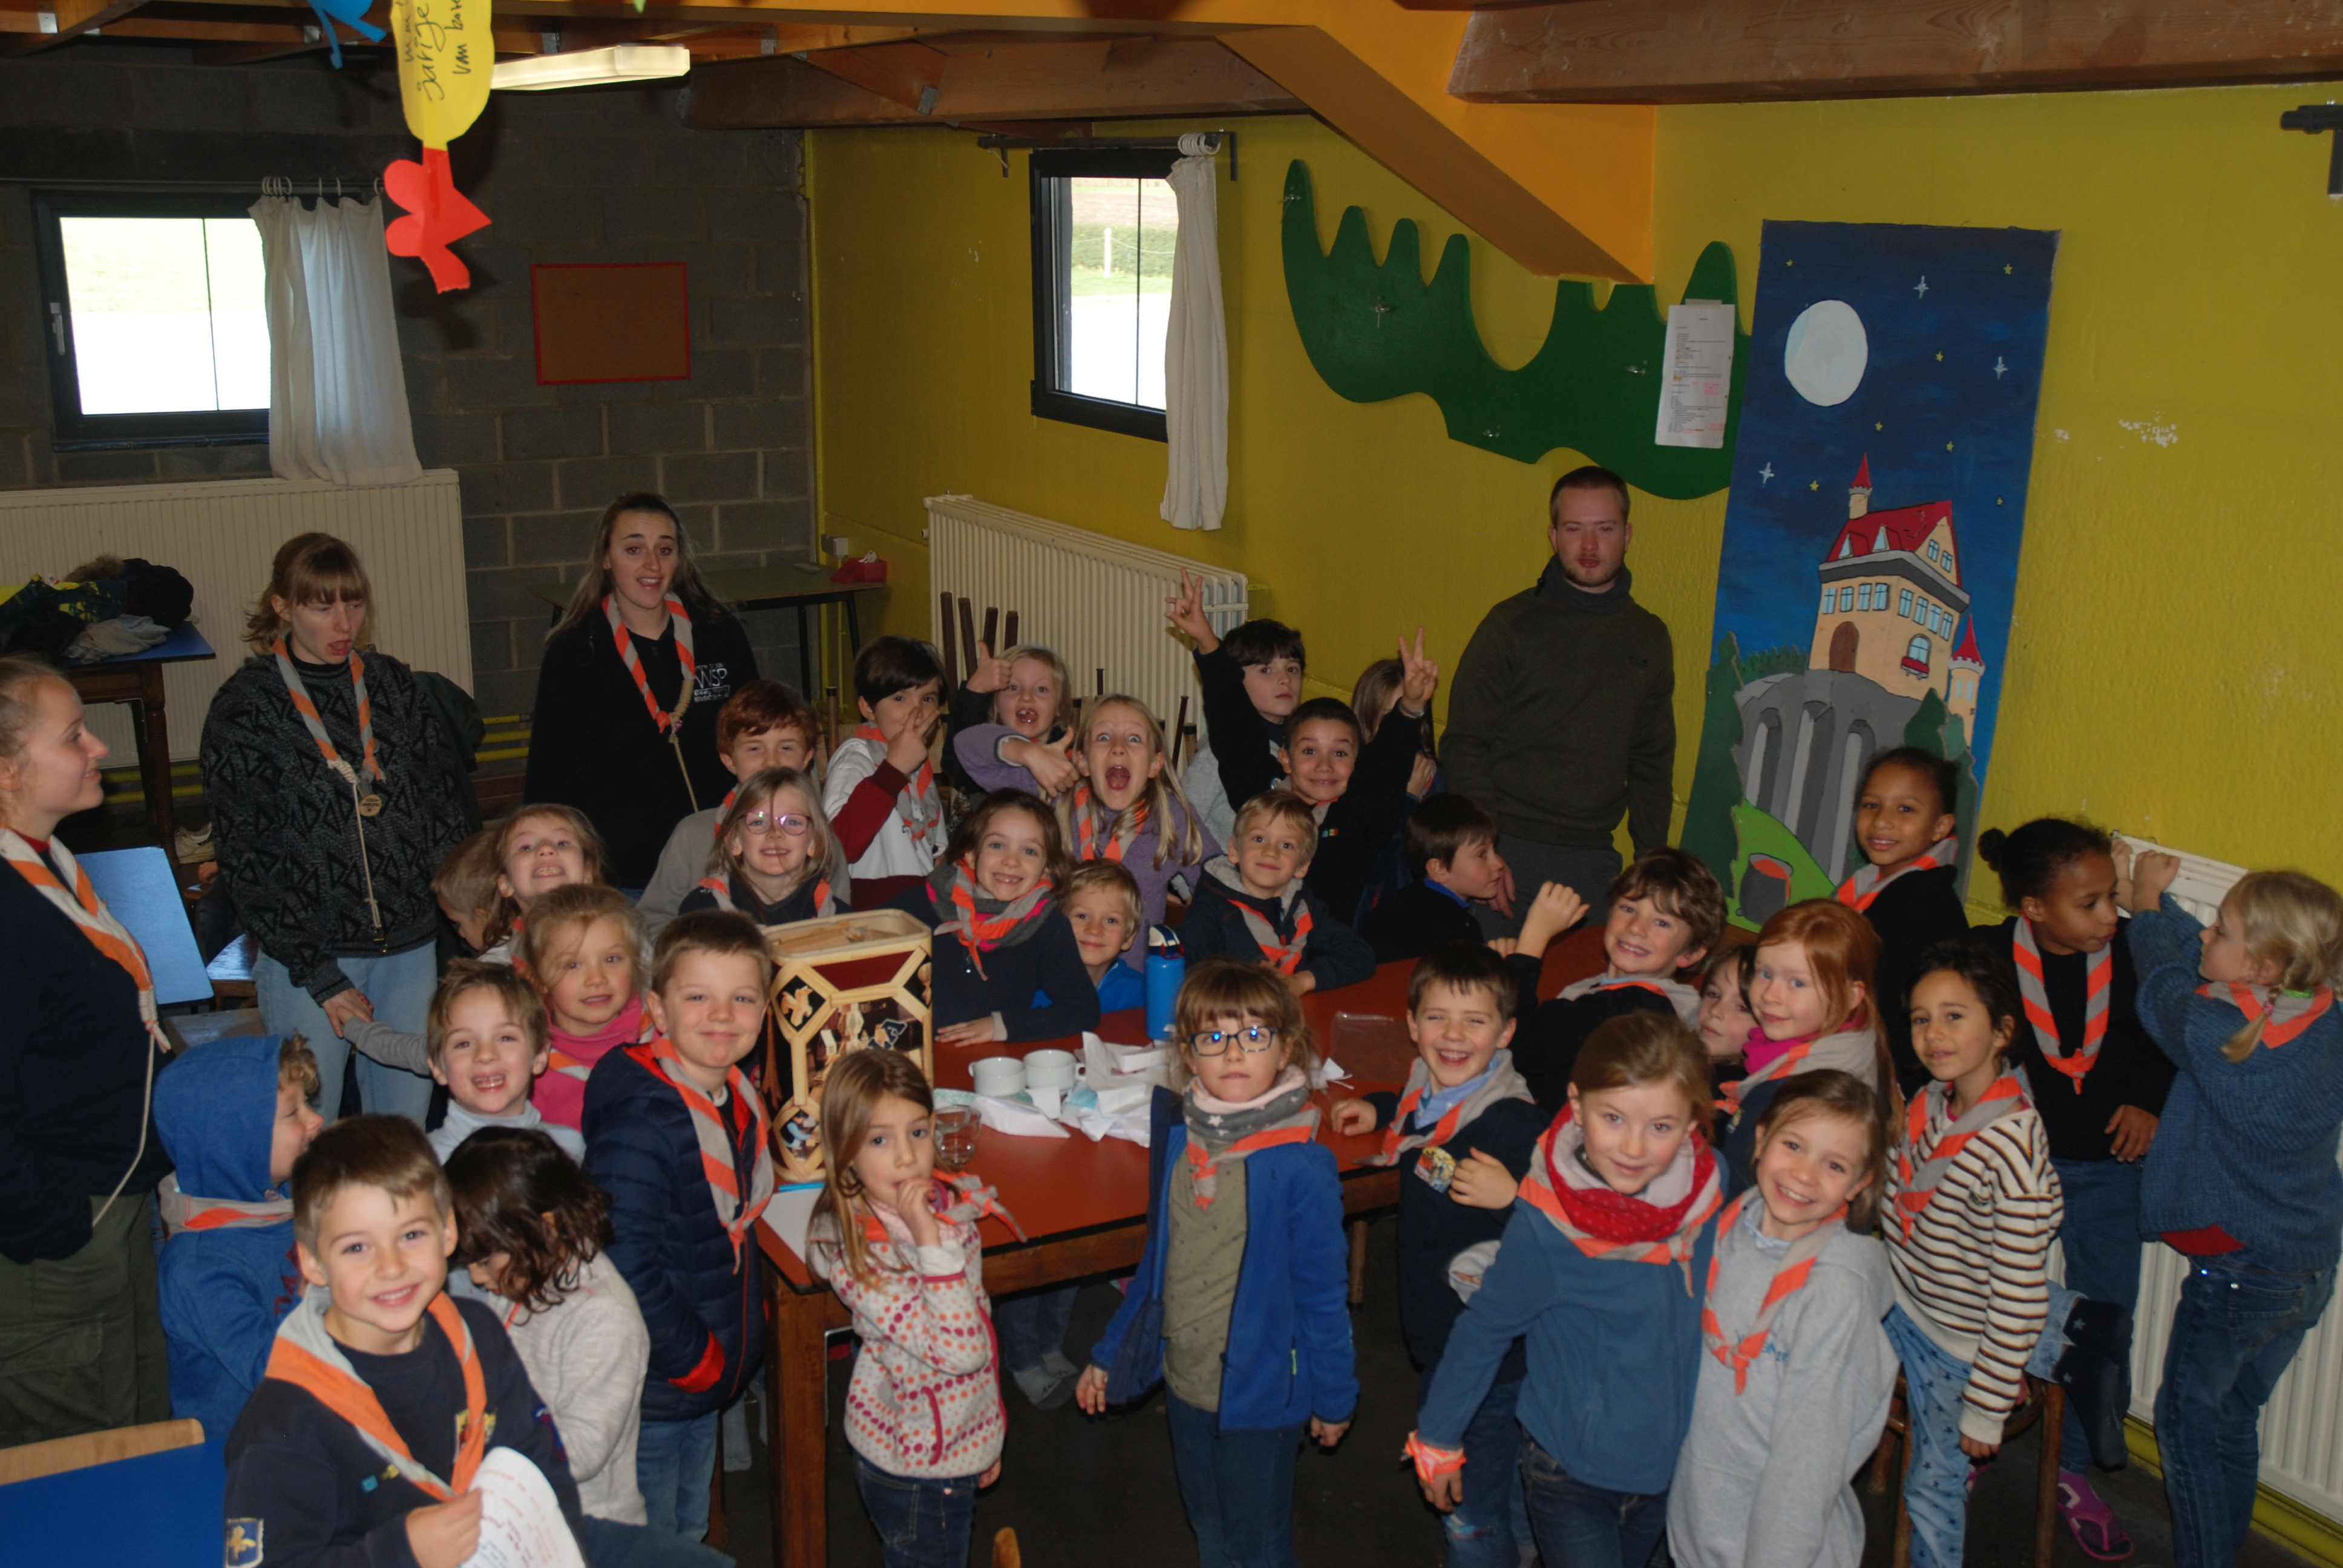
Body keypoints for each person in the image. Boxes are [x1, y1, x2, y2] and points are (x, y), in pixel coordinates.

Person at [1407, 1011, 1724, 1568]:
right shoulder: (1547, 1225)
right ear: (1577, 1106)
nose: (1633, 1146)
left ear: (1692, 1124)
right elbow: (1484, 1330)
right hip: (1570, 1471)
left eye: (1661, 1126)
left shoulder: (1710, 1187)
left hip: (1669, 1461)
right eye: (1613, 1117)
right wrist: (1438, 1437)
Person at [1079, 958, 1357, 1568]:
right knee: (1208, 1524)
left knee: (1255, 1545)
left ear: (1286, 1049)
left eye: (1254, 1035)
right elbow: (1158, 1262)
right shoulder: (1182, 1140)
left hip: (1263, 1396)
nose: (1233, 1052)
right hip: (1187, 1382)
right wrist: (1110, 1353)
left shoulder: (1301, 1168)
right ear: (1188, 1054)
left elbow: (1322, 1298)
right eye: (1212, 1037)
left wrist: (1335, 1397)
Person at [223, 1116, 587, 1568]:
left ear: (448, 1232)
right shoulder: (286, 1416)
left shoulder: (478, 1333)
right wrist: (401, 1553)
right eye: (357, 1248)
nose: (392, 1267)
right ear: (313, 1263)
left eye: (412, 1235)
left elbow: (542, 1477)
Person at [202, 533, 471, 1120]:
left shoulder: (394, 686)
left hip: (409, 948)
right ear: (282, 606)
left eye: (354, 603)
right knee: (309, 1130)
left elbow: (443, 814)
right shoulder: (246, 707)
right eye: (322, 607)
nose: (344, 623)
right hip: (310, 958)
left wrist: (471, 917)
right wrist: (318, 973)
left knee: (401, 1131)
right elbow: (247, 861)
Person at [2124, 854, 2343, 1568]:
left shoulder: (2214, 1032)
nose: (2204, 934)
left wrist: (2146, 902)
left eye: (2219, 928)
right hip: (2306, 1267)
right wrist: (2166, 912)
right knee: (2231, 1418)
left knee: (2184, 1425)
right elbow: (2202, 961)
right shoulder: (2324, 1014)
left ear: (2266, 966)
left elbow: (2161, 983)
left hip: (2239, 1274)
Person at [1885, 941, 2129, 1568]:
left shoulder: (2012, 1148)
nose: (1933, 1034)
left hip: (1953, 1342)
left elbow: (2015, 1296)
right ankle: (2077, 1329)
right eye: (1920, 1018)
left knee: (1932, 1487)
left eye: (1953, 1016)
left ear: (2001, 1032)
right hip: (1910, 1298)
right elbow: (1903, 1200)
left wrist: (1986, 1408)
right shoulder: (1930, 1101)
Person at [1979, 818, 2171, 1558]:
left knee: (2105, 1322)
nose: (2107, 917)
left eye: (2111, 898)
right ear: (2032, 908)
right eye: (2088, 903)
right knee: (1986, 1303)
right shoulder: (1987, 956)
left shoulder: (2126, 954)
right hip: (2015, 1171)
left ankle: (2075, 1469)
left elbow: (2165, 1034)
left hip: (2105, 1173)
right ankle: (1972, 1436)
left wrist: (2148, 1101)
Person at [0, 657, 174, 1443]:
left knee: (139, 1434)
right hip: (58, 1244)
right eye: (73, 736)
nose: (99, 747)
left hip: (114, 1209)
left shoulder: (47, 866)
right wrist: (53, 1221)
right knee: (82, 1464)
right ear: (8, 771)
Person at [1331, 943, 1545, 1568]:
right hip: (1440, 1323)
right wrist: (1378, 1106)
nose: (1452, 1035)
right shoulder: (1430, 1083)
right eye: (1436, 1018)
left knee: (1468, 1515)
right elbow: (1418, 1113)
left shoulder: (1514, 1127)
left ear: (1505, 1033)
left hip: (1489, 1352)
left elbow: (1572, 1227)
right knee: (1505, 1481)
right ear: (1411, 1025)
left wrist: (1515, 1197)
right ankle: (1525, 1543)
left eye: (1474, 1021)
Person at [447, 1128, 732, 1568]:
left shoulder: (603, 1316)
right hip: (521, 1519)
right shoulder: (523, 1278)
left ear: (547, 1228)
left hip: (586, 1534)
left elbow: (579, 1449)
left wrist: (481, 1439)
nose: (479, 1278)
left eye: (486, 1262)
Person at [585, 911, 774, 1543]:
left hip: (704, 1366)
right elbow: (620, 1261)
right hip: (662, 1377)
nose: (721, 1014)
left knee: (690, 1521)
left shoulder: (733, 1093)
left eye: (742, 998)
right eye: (697, 997)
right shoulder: (644, 1124)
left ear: (764, 1011)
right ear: (658, 1012)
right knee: (656, 1534)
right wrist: (694, 1358)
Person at [1666, 1070, 1896, 1568]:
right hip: (1700, 1524)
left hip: (1781, 1548)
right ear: (1761, 1139)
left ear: (1860, 1183)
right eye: (1793, 1145)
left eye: (1834, 1165)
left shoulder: (1834, 1293)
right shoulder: (1722, 1232)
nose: (1805, 1175)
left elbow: (1807, 1464)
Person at [1444, 466, 1676, 930]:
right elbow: (1465, 743)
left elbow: (1651, 760)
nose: (1589, 546)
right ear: (1553, 536)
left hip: (1593, 857)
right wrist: (1484, 853)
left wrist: (1651, 864)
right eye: (1574, 529)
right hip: (1505, 848)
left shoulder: (1649, 638)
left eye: (1604, 529)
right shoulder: (1510, 626)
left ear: (1627, 535)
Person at [809, 1050, 1006, 1568]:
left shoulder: (937, 1210)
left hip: (950, 1442)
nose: (905, 1157)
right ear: (845, 1154)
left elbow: (977, 1320)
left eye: (917, 1133)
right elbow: (962, 1351)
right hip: (917, 1467)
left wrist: (983, 1437)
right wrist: (929, 1241)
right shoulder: (865, 1260)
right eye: (879, 1140)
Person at [523, 492, 758, 891]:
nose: (652, 565)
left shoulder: (719, 633)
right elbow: (550, 777)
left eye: (665, 550)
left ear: (679, 559)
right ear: (606, 557)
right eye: (634, 549)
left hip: (720, 863)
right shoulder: (575, 652)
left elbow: (758, 737)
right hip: (625, 876)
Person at [154, 1034, 324, 1448]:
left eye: (307, 1104)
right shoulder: (197, 1267)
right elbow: (275, 1372)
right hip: (237, 1454)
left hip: (305, 1430)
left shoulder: (284, 1202)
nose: (316, 1120)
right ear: (236, 1141)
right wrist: (316, 1281)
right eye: (293, 1112)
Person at [971, 693, 1215, 950]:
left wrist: (1188, 945)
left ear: (1155, 764)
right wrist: (1026, 753)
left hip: (1133, 974)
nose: (1118, 747)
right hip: (1053, 966)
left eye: (1134, 739)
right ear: (1083, 761)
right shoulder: (1056, 795)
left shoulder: (1168, 815)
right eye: (1104, 737)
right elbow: (966, 747)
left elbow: (1219, 884)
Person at [1503, 847, 1722, 1113]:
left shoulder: (1634, 1008)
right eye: (1629, 908)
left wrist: (1532, 940)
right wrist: (1505, 972)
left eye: (1662, 923)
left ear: (1691, 952)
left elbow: (1521, 1043)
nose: (1636, 927)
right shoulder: (1615, 995)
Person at [885, 789, 1099, 1045]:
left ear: (1047, 867)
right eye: (997, 845)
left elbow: (1082, 1008)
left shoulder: (1048, 925)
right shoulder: (919, 905)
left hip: (997, 1060)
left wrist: (1003, 1026)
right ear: (971, 854)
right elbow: (856, 944)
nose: (1011, 861)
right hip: (915, 1056)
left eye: (1029, 851)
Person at [1722, 900, 1892, 1189]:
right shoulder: (1840, 1044)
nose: (1770, 995)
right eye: (1765, 974)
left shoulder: (1814, 1093)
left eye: (1798, 983)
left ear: (1851, 997)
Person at [640, 680, 824, 936]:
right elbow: (652, 920)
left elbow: (836, 923)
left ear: (807, 758)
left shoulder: (820, 836)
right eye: (755, 748)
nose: (771, 761)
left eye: (786, 748)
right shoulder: (692, 835)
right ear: (729, 760)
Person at [1835, 746, 1970, 1095]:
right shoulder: (1869, 887)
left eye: (1905, 809)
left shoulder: (1924, 903)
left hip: (1886, 1079)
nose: (1882, 821)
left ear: (1941, 827)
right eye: (1871, 805)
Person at [1179, 791, 1377, 995]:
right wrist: (1244, 979)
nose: (1271, 852)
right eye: (1259, 839)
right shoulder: (1211, 910)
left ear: (1302, 866)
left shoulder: (1305, 907)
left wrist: (1302, 982)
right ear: (1235, 850)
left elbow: (1360, 954)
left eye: (1286, 845)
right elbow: (1182, 972)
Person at [1164, 581, 1305, 847]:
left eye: (1293, 669)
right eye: (1266, 670)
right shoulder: (1217, 756)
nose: (1285, 679)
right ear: (1235, 680)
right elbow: (1179, 823)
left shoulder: (1302, 746)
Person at [1277, 682, 1430, 926]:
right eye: (1310, 751)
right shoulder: (1264, 809)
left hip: (1329, 944)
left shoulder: (1357, 816)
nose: (1324, 766)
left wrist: (1409, 709)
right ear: (1286, 759)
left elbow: (1386, 758)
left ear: (1359, 762)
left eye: (1340, 753)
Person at [825, 636, 946, 910]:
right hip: (869, 912)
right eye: (900, 698)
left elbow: (934, 854)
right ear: (868, 708)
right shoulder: (855, 760)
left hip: (918, 905)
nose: (917, 711)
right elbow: (836, 848)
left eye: (928, 698)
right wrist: (893, 772)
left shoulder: (919, 765)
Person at [518, 884, 649, 1135]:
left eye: (612, 959)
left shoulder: (662, 1039)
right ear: (539, 979)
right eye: (573, 965)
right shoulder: (528, 1061)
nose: (596, 979)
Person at [423, 962, 583, 1163]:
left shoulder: (569, 1150)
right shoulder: (424, 1165)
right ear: (438, 1067)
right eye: (464, 1044)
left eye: (506, 1038)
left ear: (540, 1055)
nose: (485, 1055)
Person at [678, 766, 842, 926]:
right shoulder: (701, 913)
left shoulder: (838, 918)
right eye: (758, 822)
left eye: (793, 822)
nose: (775, 833)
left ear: (815, 842)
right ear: (734, 841)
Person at [1360, 793, 1508, 964]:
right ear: (1439, 869)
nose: (1499, 864)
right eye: (1482, 854)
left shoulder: (1398, 905)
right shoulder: (1454, 925)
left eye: (1494, 850)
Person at [945, 641, 1072, 798]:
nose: (1026, 697)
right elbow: (955, 760)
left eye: (1041, 689)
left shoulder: (1071, 757)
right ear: (996, 704)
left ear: (1060, 706)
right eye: (1014, 688)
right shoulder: (985, 755)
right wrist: (976, 690)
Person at [1063, 859, 1148, 1014]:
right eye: (1082, 916)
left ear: (1128, 938)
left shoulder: (1141, 993)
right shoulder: (1032, 987)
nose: (1094, 930)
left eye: (1111, 921)